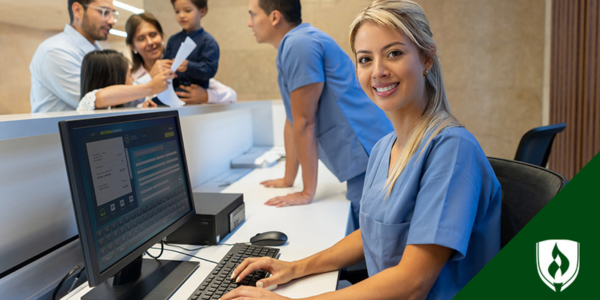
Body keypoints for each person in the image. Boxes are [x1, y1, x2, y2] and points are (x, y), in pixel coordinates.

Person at [222, 1, 501, 299]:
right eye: (365, 59)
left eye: (394, 53)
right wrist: (295, 268)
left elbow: (413, 284)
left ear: (427, 59)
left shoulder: (451, 150)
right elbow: (373, 233)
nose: (378, 71)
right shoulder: (384, 148)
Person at [247, 0, 393, 228]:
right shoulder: (295, 42)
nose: (249, 23)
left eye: (252, 15)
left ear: (275, 17)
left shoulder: (299, 44)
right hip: (364, 152)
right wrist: (288, 178)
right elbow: (293, 118)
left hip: (367, 150)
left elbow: (305, 122)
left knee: (374, 234)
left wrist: (307, 192)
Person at [125, 12, 236, 105]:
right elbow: (126, 104)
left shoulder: (181, 69)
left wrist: (206, 96)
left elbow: (232, 96)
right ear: (132, 46)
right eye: (141, 39)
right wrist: (150, 76)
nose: (150, 42)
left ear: (162, 36)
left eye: (153, 35)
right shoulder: (130, 78)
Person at [30, 0, 117, 113]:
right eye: (104, 12)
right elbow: (93, 102)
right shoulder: (55, 51)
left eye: (113, 14)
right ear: (78, 10)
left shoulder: (98, 50)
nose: (112, 21)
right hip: (57, 131)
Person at [77, 50, 173, 111]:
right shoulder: (88, 102)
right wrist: (151, 88)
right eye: (129, 75)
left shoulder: (118, 107)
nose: (133, 79)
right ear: (116, 81)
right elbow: (101, 97)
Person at [164, 0, 220, 91]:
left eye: (187, 10)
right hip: (172, 93)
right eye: (177, 12)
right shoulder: (173, 40)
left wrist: (189, 66)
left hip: (197, 96)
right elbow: (165, 63)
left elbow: (210, 70)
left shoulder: (208, 41)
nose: (181, 15)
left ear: (202, 11)